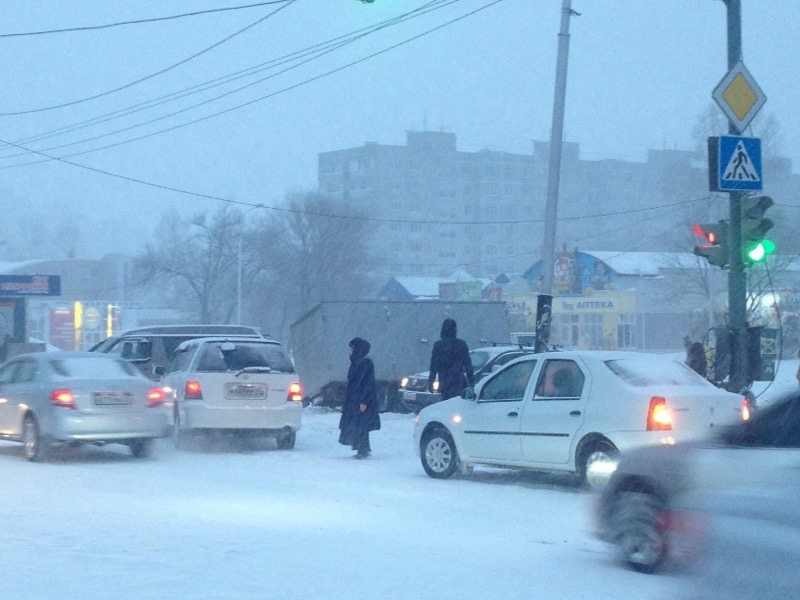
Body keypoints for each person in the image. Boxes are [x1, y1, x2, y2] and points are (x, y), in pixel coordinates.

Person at [339, 337, 381, 459]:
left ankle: (362, 449)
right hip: (355, 399)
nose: (348, 350)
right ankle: (361, 448)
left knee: (361, 424)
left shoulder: (364, 363)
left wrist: (364, 401)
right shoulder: (357, 361)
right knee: (358, 424)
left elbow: (367, 383)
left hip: (361, 399)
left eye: (350, 347)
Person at [427, 318, 475, 401]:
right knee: (458, 403)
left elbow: (434, 365)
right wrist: (472, 382)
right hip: (458, 381)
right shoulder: (461, 344)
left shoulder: (438, 345)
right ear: (455, 330)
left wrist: (431, 380)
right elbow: (468, 365)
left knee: (446, 403)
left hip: (444, 381)